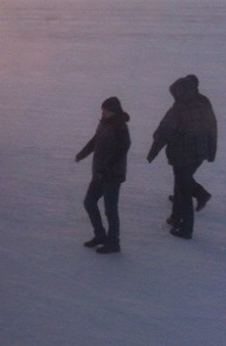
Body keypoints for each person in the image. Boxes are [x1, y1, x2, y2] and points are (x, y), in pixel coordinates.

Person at [147, 75, 217, 239]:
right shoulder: (203, 101)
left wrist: (153, 152)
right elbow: (212, 127)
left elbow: (163, 132)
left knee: (183, 188)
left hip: (182, 154)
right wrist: (211, 150)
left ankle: (186, 228)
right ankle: (176, 216)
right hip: (199, 154)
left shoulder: (178, 108)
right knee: (181, 183)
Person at [75, 97, 131, 254]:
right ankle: (100, 235)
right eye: (103, 110)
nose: (103, 113)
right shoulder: (105, 123)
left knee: (110, 210)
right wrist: (83, 153)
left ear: (114, 111)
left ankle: (114, 243)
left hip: (112, 175)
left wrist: (107, 167)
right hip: (99, 173)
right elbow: (95, 140)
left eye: (106, 110)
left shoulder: (120, 127)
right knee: (89, 202)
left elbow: (123, 148)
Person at [165, 74, 216, 214]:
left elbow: (210, 126)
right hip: (195, 149)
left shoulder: (191, 103)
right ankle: (178, 203)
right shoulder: (198, 100)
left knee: (183, 177)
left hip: (190, 149)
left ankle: (201, 194)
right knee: (181, 176)